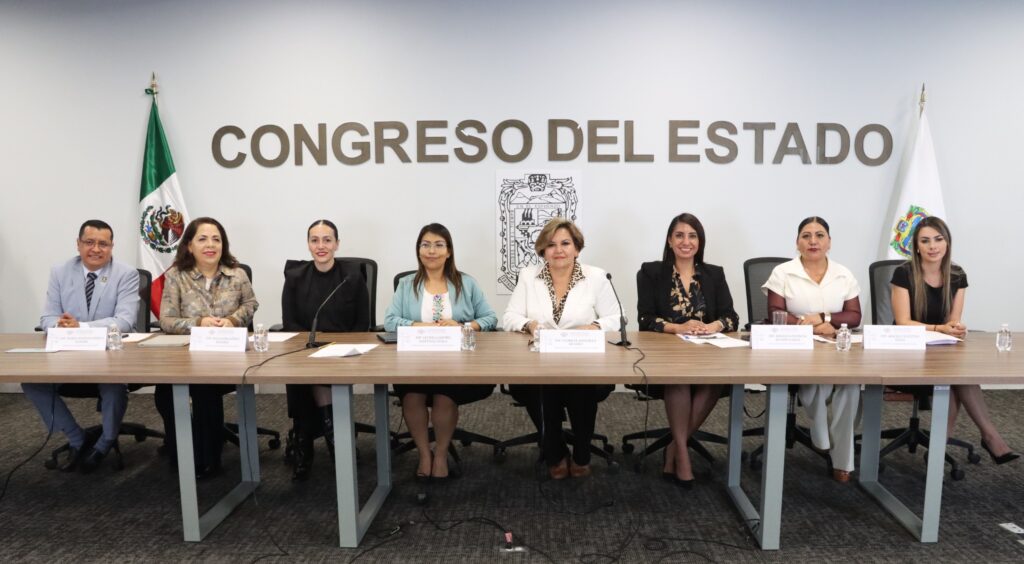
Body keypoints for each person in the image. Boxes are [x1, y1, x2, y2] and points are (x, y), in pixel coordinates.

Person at [502, 218, 623, 480]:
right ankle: (555, 452)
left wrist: (594, 326)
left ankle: (581, 453)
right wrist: (530, 324)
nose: (558, 250)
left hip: (583, 361)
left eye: (565, 243)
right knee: (538, 388)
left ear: (577, 248)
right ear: (542, 250)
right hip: (539, 361)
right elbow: (510, 317)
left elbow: (616, 319)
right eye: (551, 244)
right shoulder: (528, 276)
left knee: (582, 387)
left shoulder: (596, 277)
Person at [891, 216, 1018, 464]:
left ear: (947, 242)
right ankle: (984, 438)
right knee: (954, 378)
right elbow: (903, 322)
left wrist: (956, 328)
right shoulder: (903, 273)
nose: (932, 246)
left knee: (958, 374)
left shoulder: (957, 275)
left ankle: (944, 445)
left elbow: (953, 320)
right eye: (925, 241)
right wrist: (940, 328)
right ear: (916, 246)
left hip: (939, 351)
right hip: (907, 352)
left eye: (938, 239)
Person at [24, 219, 140, 473]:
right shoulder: (60, 272)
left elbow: (124, 321)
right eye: (89, 242)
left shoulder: (126, 274)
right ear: (78, 244)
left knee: (114, 385)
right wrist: (60, 325)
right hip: (69, 355)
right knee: (32, 382)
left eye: (103, 244)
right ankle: (77, 438)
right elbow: (47, 318)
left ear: (111, 247)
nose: (96, 249)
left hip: (109, 356)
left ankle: (105, 441)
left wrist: (81, 327)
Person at [384, 223, 497, 481]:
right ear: (418, 250)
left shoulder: (466, 283)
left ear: (449, 251)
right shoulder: (406, 284)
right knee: (412, 396)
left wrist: (463, 326)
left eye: (438, 245)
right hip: (415, 362)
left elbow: (490, 318)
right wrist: (417, 325)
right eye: (425, 245)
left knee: (444, 396)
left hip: (457, 363)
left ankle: (441, 454)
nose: (431, 251)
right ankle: (425, 454)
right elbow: (390, 321)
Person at [637, 213, 739, 487]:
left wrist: (713, 325)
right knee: (679, 379)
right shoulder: (651, 272)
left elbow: (731, 317)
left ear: (700, 241)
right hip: (667, 354)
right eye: (679, 235)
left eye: (692, 236)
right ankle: (682, 454)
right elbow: (645, 319)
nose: (686, 241)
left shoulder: (714, 274)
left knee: (714, 381)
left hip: (706, 351)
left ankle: (674, 446)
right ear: (670, 241)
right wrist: (677, 327)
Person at [153, 217, 259, 479]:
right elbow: (166, 320)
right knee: (165, 392)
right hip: (188, 357)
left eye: (216, 239)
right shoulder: (176, 276)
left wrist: (233, 320)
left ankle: (208, 458)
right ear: (189, 245)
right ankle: (181, 449)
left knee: (204, 389)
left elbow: (251, 304)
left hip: (228, 357)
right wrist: (198, 323)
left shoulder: (237, 274)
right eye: (202, 239)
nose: (210, 245)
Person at [763, 216, 862, 482]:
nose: (813, 241)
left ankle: (843, 460)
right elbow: (774, 312)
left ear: (829, 242)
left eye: (819, 235)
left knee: (851, 387)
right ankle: (822, 438)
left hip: (835, 348)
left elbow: (854, 316)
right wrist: (806, 327)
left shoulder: (843, 274)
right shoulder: (783, 272)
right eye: (806, 236)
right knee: (819, 382)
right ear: (797, 242)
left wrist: (825, 319)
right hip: (796, 348)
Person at [282, 219, 370, 481]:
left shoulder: (352, 276)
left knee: (313, 378)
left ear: (337, 244)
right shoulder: (295, 277)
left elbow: (362, 322)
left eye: (327, 240)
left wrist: (342, 348)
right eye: (315, 240)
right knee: (303, 376)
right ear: (308, 244)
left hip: (344, 352)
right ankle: (333, 443)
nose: (321, 246)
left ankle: (305, 443)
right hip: (306, 350)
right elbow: (289, 323)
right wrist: (310, 350)